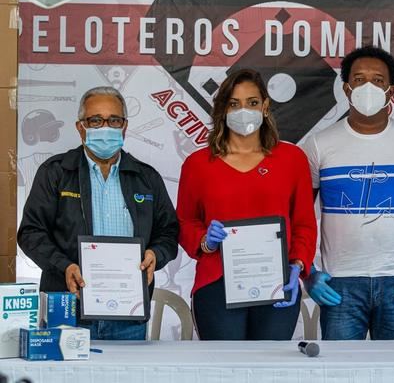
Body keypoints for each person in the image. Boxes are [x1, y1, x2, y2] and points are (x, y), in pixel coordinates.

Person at [302, 46, 394, 340]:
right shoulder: (320, 144)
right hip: (339, 283)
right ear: (346, 88)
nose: (368, 86)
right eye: (359, 79)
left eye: (378, 80)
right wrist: (309, 274)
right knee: (341, 375)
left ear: (392, 91)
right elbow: (301, 217)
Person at [18, 86, 179, 340]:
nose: (106, 127)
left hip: (129, 314)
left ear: (124, 127)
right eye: (95, 120)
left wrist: (155, 254)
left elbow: (169, 232)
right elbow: (30, 233)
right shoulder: (56, 173)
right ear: (80, 127)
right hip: (68, 311)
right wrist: (65, 267)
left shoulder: (146, 178)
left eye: (114, 120)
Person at [176, 68, 316, 340]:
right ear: (222, 110)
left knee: (271, 371)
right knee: (223, 372)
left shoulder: (292, 158)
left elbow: (304, 223)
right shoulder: (197, 164)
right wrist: (205, 241)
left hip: (276, 282)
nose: (244, 110)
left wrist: (297, 265)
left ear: (265, 106)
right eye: (234, 103)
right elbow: (184, 222)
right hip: (216, 284)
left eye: (252, 102)